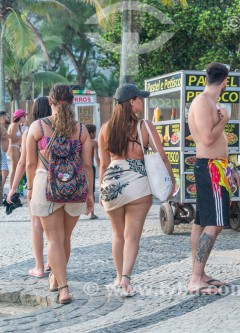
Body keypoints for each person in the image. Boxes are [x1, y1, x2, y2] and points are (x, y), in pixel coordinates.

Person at [99, 83, 175, 297]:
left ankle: (117, 276)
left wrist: (100, 188)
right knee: (132, 236)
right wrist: (171, 178)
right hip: (137, 183)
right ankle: (125, 279)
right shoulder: (145, 126)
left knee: (117, 234)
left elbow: (103, 164)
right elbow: (161, 156)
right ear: (131, 101)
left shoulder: (106, 128)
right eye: (140, 98)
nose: (143, 101)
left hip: (111, 183)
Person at [26, 84, 94, 304]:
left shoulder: (37, 127)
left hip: (46, 183)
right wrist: (90, 193)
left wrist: (29, 189)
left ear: (50, 100)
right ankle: (55, 276)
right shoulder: (82, 130)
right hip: (75, 186)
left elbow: (29, 163)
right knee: (65, 238)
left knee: (53, 239)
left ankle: (63, 288)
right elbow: (87, 166)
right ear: (72, 101)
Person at [187, 62, 240, 295]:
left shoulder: (209, 102)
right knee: (215, 223)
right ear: (225, 82)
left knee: (201, 221)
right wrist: (224, 120)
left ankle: (199, 273)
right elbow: (208, 139)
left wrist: (231, 168)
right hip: (210, 168)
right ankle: (196, 277)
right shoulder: (202, 102)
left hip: (216, 167)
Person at [7, 97, 52, 277]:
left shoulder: (32, 130)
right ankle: (52, 263)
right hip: (59, 181)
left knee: (36, 224)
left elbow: (24, 163)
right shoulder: (62, 128)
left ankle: (39, 267)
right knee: (54, 226)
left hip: (37, 183)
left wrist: (14, 188)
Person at [8, 109, 28, 191]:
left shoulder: (18, 125)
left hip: (16, 147)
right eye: (24, 116)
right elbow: (12, 139)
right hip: (13, 147)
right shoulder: (14, 125)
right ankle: (11, 189)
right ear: (20, 117)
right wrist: (23, 136)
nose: (25, 117)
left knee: (16, 168)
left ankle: (14, 188)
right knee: (13, 169)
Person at [86, 124, 100, 220]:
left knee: (82, 190)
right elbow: (96, 157)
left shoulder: (81, 142)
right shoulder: (94, 143)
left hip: (81, 169)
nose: (95, 134)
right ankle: (92, 213)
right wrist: (101, 166)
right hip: (90, 168)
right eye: (94, 132)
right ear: (91, 133)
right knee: (91, 190)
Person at [0, 111, 10, 198]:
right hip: (1, 152)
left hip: (2, 153)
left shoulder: (2, 127)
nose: (8, 119)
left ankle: (1, 191)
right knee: (5, 172)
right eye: (7, 117)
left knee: (4, 172)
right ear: (2, 118)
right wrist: (7, 136)